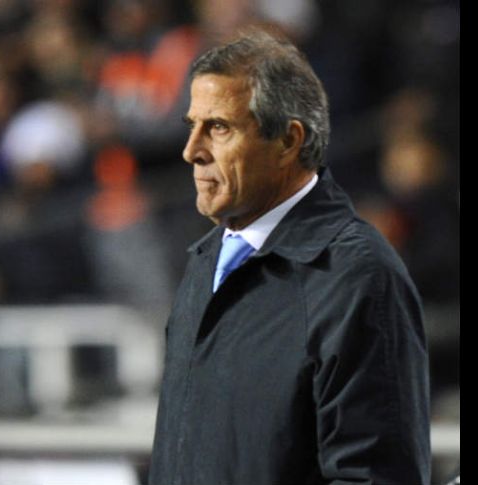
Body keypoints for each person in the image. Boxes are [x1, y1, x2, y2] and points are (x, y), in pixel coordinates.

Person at [148, 28, 431, 485]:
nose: (191, 151)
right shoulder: (206, 262)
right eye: (191, 126)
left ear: (287, 141)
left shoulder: (357, 276)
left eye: (218, 127)